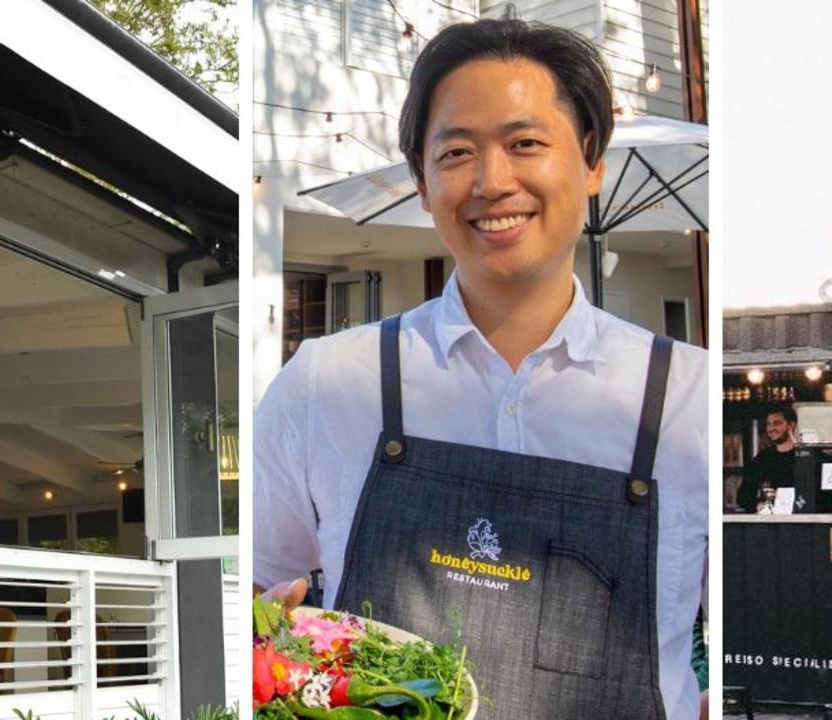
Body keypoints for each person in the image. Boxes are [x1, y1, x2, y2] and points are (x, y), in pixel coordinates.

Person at [255, 19, 707, 720]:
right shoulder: (327, 382)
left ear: (591, 163)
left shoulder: (689, 398)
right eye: (457, 152)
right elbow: (251, 596)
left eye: (525, 143)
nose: (493, 182)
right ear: (423, 181)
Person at [738, 405, 797, 513]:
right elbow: (743, 497)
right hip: (769, 524)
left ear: (791, 426)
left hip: (801, 521)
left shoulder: (803, 457)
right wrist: (759, 505)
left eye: (777, 423)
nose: (771, 428)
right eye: (768, 424)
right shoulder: (762, 459)